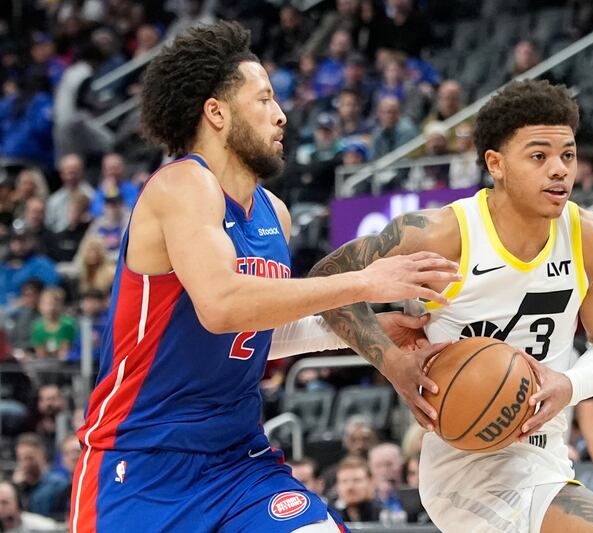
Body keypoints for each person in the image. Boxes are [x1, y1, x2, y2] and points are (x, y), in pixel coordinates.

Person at [70, 21, 459, 533]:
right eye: (265, 100)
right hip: (142, 463)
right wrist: (366, 282)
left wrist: (361, 334)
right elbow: (222, 306)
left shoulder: (275, 213)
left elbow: (254, 333)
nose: (281, 116)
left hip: (238, 464)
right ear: (217, 112)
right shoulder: (182, 185)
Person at [311, 80, 593, 532]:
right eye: (539, 156)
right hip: (465, 461)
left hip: (544, 451)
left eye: (568, 154)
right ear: (496, 163)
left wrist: (569, 383)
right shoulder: (440, 233)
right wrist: (390, 362)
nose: (560, 170)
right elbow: (326, 281)